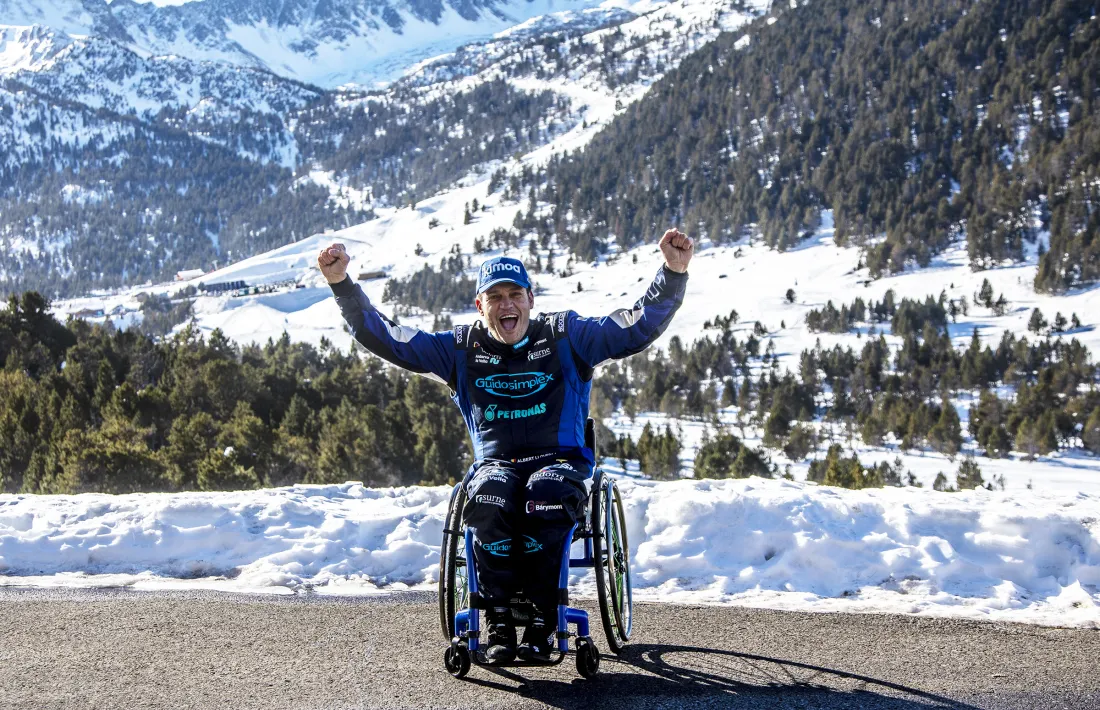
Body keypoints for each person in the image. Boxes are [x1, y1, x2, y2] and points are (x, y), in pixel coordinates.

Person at [318, 228, 693, 662]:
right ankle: (497, 622)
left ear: (531, 299)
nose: (507, 304)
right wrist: (342, 286)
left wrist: (673, 273)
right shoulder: (458, 349)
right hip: (497, 464)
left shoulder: (566, 335)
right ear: (481, 306)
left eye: (515, 294)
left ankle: (541, 620)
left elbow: (634, 327)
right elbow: (388, 338)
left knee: (546, 497)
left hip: (560, 462)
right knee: (490, 500)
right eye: (495, 297)